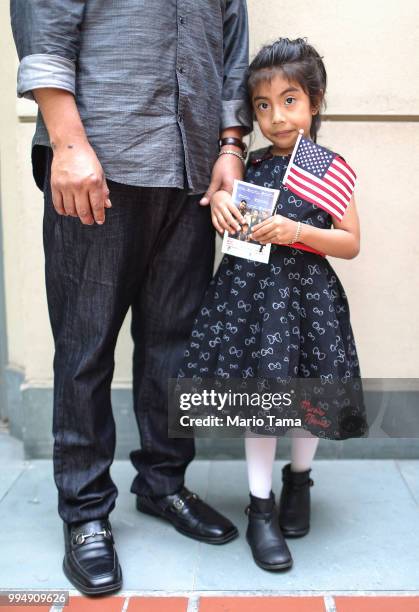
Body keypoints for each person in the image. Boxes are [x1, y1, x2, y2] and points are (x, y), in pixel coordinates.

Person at [10, 0, 252, 595]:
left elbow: (231, 48)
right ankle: (86, 511)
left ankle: (164, 484)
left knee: (177, 344)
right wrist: (67, 145)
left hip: (192, 170)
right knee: (86, 343)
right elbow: (45, 29)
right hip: (99, 164)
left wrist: (230, 146)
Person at [180, 37, 368, 572]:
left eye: (289, 101)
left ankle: (298, 482)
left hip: (307, 302)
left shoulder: (328, 167)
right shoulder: (250, 166)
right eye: (262, 106)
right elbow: (226, 214)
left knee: (307, 396)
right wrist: (219, 200)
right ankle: (259, 508)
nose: (276, 117)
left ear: (315, 101)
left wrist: (298, 232)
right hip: (252, 302)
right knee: (260, 403)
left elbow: (351, 241)